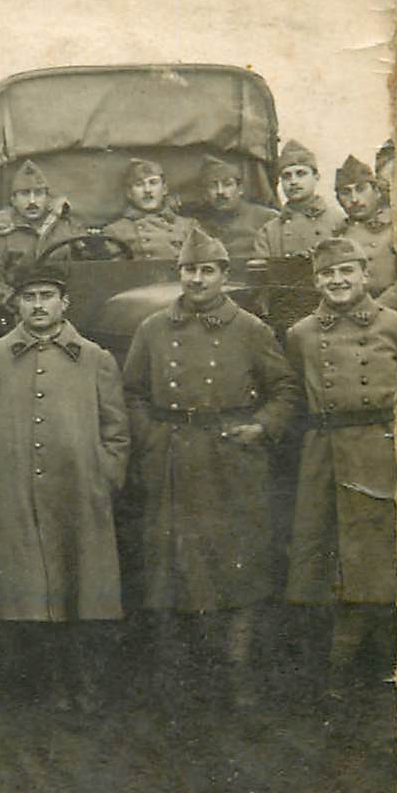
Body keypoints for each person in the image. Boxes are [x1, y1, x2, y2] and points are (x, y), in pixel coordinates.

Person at [122, 228, 299, 710]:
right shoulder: (154, 328)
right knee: (171, 567)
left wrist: (260, 428)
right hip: (173, 458)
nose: (197, 279)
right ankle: (176, 682)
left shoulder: (249, 329)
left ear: (224, 275)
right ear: (177, 274)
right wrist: (153, 438)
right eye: (188, 270)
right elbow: (132, 392)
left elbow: (284, 390)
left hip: (231, 459)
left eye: (206, 270)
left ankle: (236, 677)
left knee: (236, 566)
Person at [0, 262, 128, 712]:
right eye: (29, 297)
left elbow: (116, 429)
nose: (38, 306)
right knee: (28, 593)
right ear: (16, 303)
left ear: (64, 303)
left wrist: (105, 477)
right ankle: (46, 686)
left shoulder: (95, 358)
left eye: (47, 297)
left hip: (80, 492)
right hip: (15, 493)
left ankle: (87, 685)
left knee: (86, 588)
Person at [283, 237, 397, 712]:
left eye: (346, 271)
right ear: (316, 281)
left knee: (379, 559)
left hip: (381, 449)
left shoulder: (393, 325)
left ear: (365, 274)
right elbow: (293, 396)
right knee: (329, 560)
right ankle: (334, 673)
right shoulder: (302, 334)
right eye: (327, 274)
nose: (337, 281)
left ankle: (383, 666)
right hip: (325, 455)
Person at [0, 159, 84, 333]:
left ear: (47, 197)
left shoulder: (68, 227)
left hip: (72, 311)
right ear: (13, 200)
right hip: (20, 316)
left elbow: (90, 265)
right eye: (24, 194)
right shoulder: (2, 234)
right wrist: (17, 300)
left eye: (38, 193)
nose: (32, 201)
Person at [254, 140, 346, 259]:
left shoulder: (338, 221)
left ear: (316, 177)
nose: (293, 182)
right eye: (286, 176)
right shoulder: (269, 232)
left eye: (301, 173)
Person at [103, 158, 204, 260]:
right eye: (139, 184)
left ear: (164, 189)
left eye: (153, 183)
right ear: (129, 193)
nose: (147, 190)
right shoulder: (116, 231)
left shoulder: (189, 226)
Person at [188, 155, 278, 260]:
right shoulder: (198, 224)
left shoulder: (267, 218)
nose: (220, 191)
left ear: (240, 189)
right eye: (213, 185)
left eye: (227, 184)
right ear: (206, 194)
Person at [331, 155, 397, 297]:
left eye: (360, 189)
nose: (354, 199)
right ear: (338, 200)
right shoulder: (338, 235)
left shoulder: (394, 228)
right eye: (345, 193)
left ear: (377, 192)